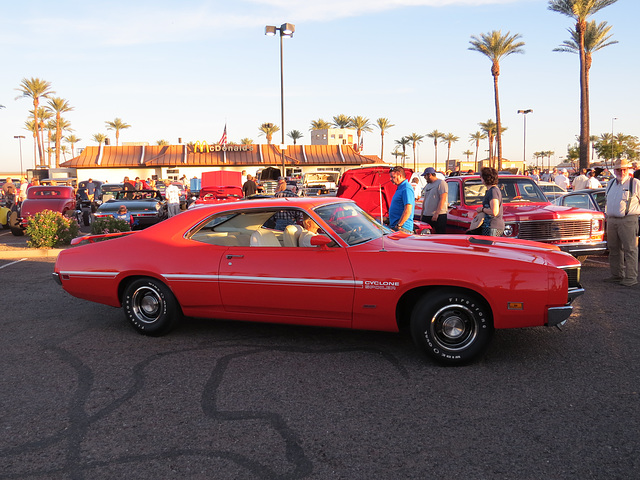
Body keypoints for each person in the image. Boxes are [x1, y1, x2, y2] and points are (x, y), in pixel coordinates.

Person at [604, 159, 640, 287]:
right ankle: (616, 275)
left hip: (628, 220)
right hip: (612, 220)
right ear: (615, 171)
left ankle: (631, 278)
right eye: (619, 169)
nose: (622, 171)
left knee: (630, 249)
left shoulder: (635, 183)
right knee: (614, 249)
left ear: (628, 169)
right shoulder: (610, 184)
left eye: (624, 169)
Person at [475, 167, 504, 236]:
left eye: (481, 177)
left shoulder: (493, 191)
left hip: (493, 226)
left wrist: (482, 209)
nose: (480, 179)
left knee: (489, 246)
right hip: (490, 226)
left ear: (486, 178)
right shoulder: (492, 190)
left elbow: (495, 212)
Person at [420, 167, 448, 234]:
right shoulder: (428, 185)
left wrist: (436, 214)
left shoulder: (441, 183)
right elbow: (425, 199)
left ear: (429, 175)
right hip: (427, 214)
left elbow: (442, 199)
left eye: (425, 176)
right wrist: (422, 213)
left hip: (438, 215)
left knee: (439, 234)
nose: (424, 178)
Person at [388, 166, 415, 233]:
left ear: (400, 175)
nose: (390, 179)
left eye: (393, 177)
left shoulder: (406, 188)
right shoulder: (400, 188)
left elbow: (408, 210)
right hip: (397, 227)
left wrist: (399, 225)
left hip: (403, 228)